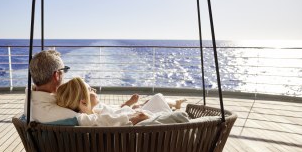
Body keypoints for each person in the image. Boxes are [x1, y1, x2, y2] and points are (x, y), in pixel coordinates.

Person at [24, 50, 147, 126]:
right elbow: (97, 121)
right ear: (57, 75)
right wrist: (134, 117)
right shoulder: (61, 114)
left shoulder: (31, 99)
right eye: (64, 70)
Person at [56, 77, 185, 125]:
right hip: (141, 118)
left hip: (136, 112)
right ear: (83, 102)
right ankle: (175, 106)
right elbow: (119, 120)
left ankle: (174, 105)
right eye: (90, 89)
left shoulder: (96, 110)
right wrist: (136, 114)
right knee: (159, 99)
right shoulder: (93, 119)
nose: (94, 90)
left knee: (157, 98)